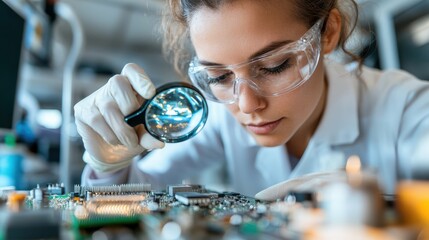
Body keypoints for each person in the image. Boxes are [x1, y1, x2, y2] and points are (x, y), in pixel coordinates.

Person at [74, 0, 429, 197]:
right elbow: (134, 192)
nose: (245, 106)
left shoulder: (407, 110)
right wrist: (112, 166)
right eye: (218, 76)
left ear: (328, 32)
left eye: (274, 66)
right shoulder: (218, 117)